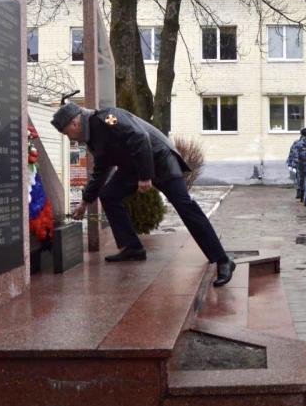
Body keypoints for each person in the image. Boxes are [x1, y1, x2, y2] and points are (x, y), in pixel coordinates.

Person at [51, 101, 236, 287]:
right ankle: (132, 248)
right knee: (109, 195)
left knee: (185, 206)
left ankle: (222, 260)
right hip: (132, 167)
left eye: (67, 133)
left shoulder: (108, 117)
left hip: (160, 159)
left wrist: (145, 176)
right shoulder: (93, 139)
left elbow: (140, 137)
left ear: (75, 123)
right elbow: (101, 169)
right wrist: (85, 201)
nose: (69, 138)